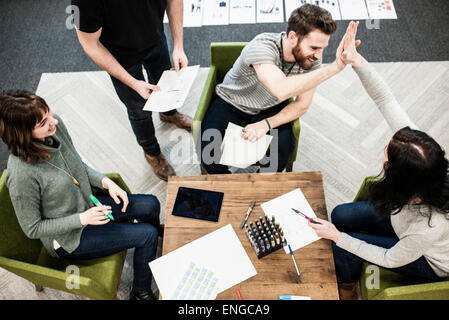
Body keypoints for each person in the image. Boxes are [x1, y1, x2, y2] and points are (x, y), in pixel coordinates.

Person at [308, 22, 449, 299]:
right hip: (403, 219)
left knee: (340, 244)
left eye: (388, 152)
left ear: (399, 181)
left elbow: (388, 257)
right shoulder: (421, 159)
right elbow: (386, 99)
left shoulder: (428, 229)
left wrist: (338, 238)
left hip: (428, 259)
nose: (386, 144)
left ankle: (347, 290)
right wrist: (356, 60)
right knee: (339, 215)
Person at [0, 90, 162, 300]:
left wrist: (106, 182)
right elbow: (33, 228)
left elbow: (76, 166)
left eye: (48, 112)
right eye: (43, 122)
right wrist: (83, 219)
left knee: (151, 204)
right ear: (21, 134)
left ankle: (154, 241)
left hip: (88, 203)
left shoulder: (54, 126)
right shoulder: (22, 176)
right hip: (70, 237)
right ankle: (140, 292)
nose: (53, 122)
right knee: (146, 234)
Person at [200, 4, 358, 174]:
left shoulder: (313, 61)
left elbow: (302, 104)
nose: (319, 55)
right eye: (314, 48)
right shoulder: (262, 46)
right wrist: (335, 67)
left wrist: (265, 124)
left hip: (270, 106)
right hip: (232, 101)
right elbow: (280, 89)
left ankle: (260, 185)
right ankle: (231, 187)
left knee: (283, 148)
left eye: (322, 48)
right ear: (292, 37)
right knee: (208, 152)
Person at [72, 0, 192, 181]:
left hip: (156, 37)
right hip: (119, 56)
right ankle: (152, 152)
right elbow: (90, 45)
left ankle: (168, 113)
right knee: (138, 109)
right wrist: (133, 83)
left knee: (166, 83)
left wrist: (178, 46)